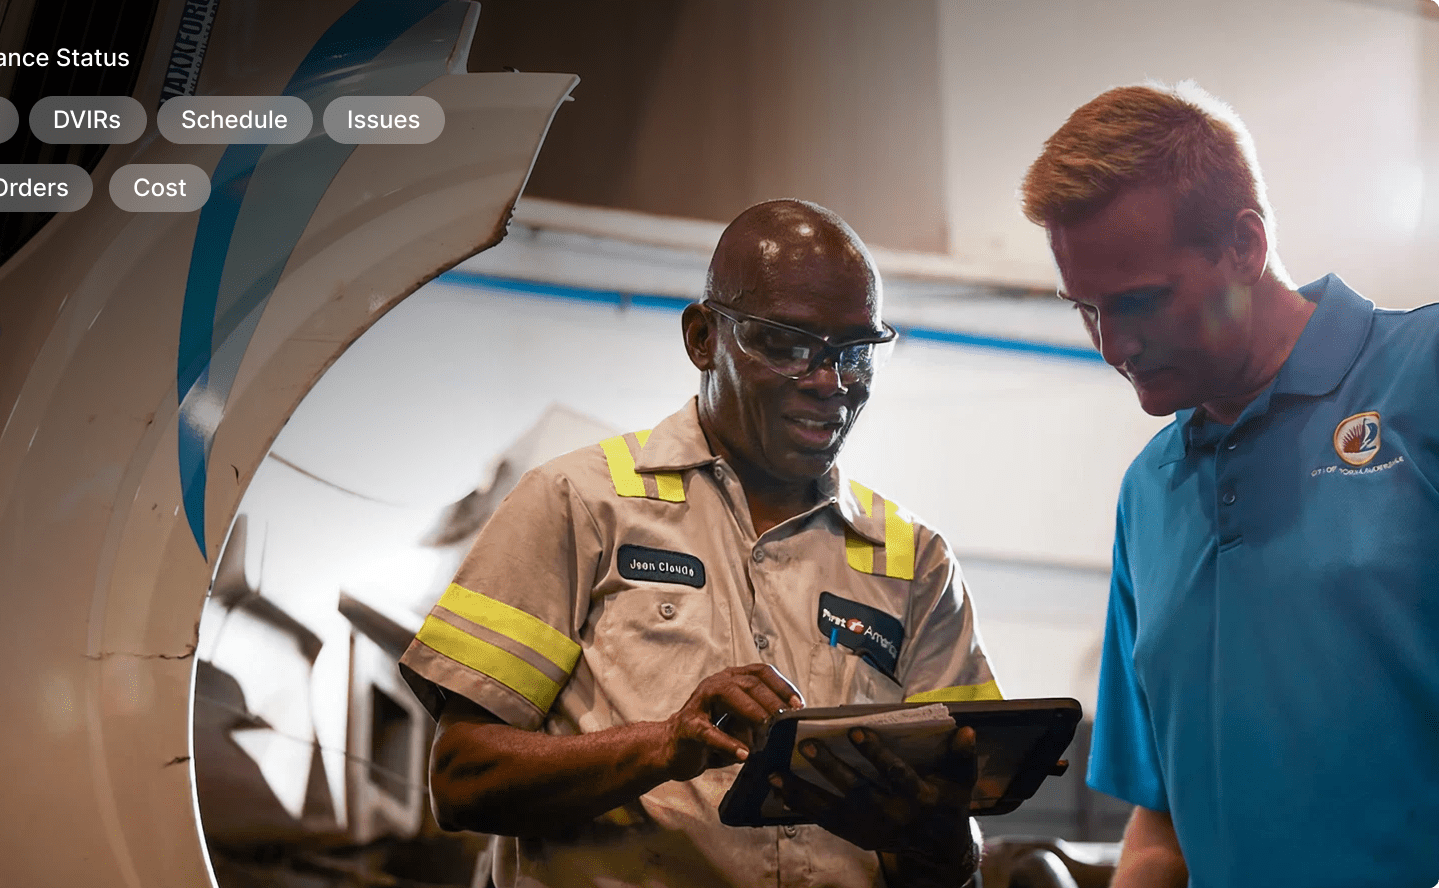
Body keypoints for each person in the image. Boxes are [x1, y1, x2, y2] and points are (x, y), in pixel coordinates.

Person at [398, 198, 1002, 888]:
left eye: (856, 353)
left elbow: (955, 838)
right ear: (703, 338)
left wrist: (943, 838)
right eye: (788, 344)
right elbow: (462, 779)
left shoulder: (915, 562)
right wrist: (665, 744)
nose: (830, 384)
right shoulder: (579, 506)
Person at [1020, 81, 1439, 887]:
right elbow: (1163, 825)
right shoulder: (1150, 493)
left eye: (1138, 303)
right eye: (1087, 311)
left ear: (1244, 246)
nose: (1112, 347)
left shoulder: (1421, 379)